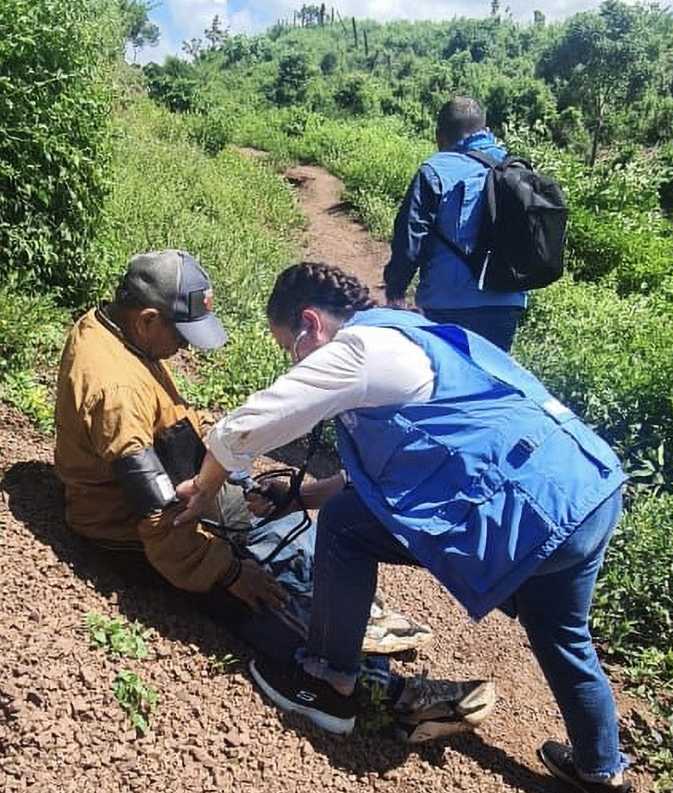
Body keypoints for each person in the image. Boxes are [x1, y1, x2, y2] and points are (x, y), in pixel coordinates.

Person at [176, 261, 632, 792]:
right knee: (562, 634)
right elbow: (405, 466)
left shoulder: (358, 350)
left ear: (310, 324)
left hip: (532, 512)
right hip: (587, 490)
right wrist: (303, 494)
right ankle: (602, 770)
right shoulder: (409, 332)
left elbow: (250, 424)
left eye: (289, 349)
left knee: (345, 527)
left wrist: (205, 487)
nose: (293, 363)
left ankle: (327, 682)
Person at [54, 250, 492, 738]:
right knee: (260, 601)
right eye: (181, 336)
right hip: (129, 528)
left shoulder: (125, 334)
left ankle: (349, 617)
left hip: (180, 483)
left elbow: (170, 419)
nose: (185, 348)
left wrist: (228, 479)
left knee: (278, 515)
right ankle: (389, 694)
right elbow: (158, 521)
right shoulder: (114, 389)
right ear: (150, 319)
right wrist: (228, 570)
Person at [383, 96, 527, 351]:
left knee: (447, 382)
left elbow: (410, 239)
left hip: (446, 304)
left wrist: (395, 290)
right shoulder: (516, 169)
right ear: (487, 131)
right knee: (491, 382)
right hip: (507, 305)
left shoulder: (434, 170)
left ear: (439, 137)